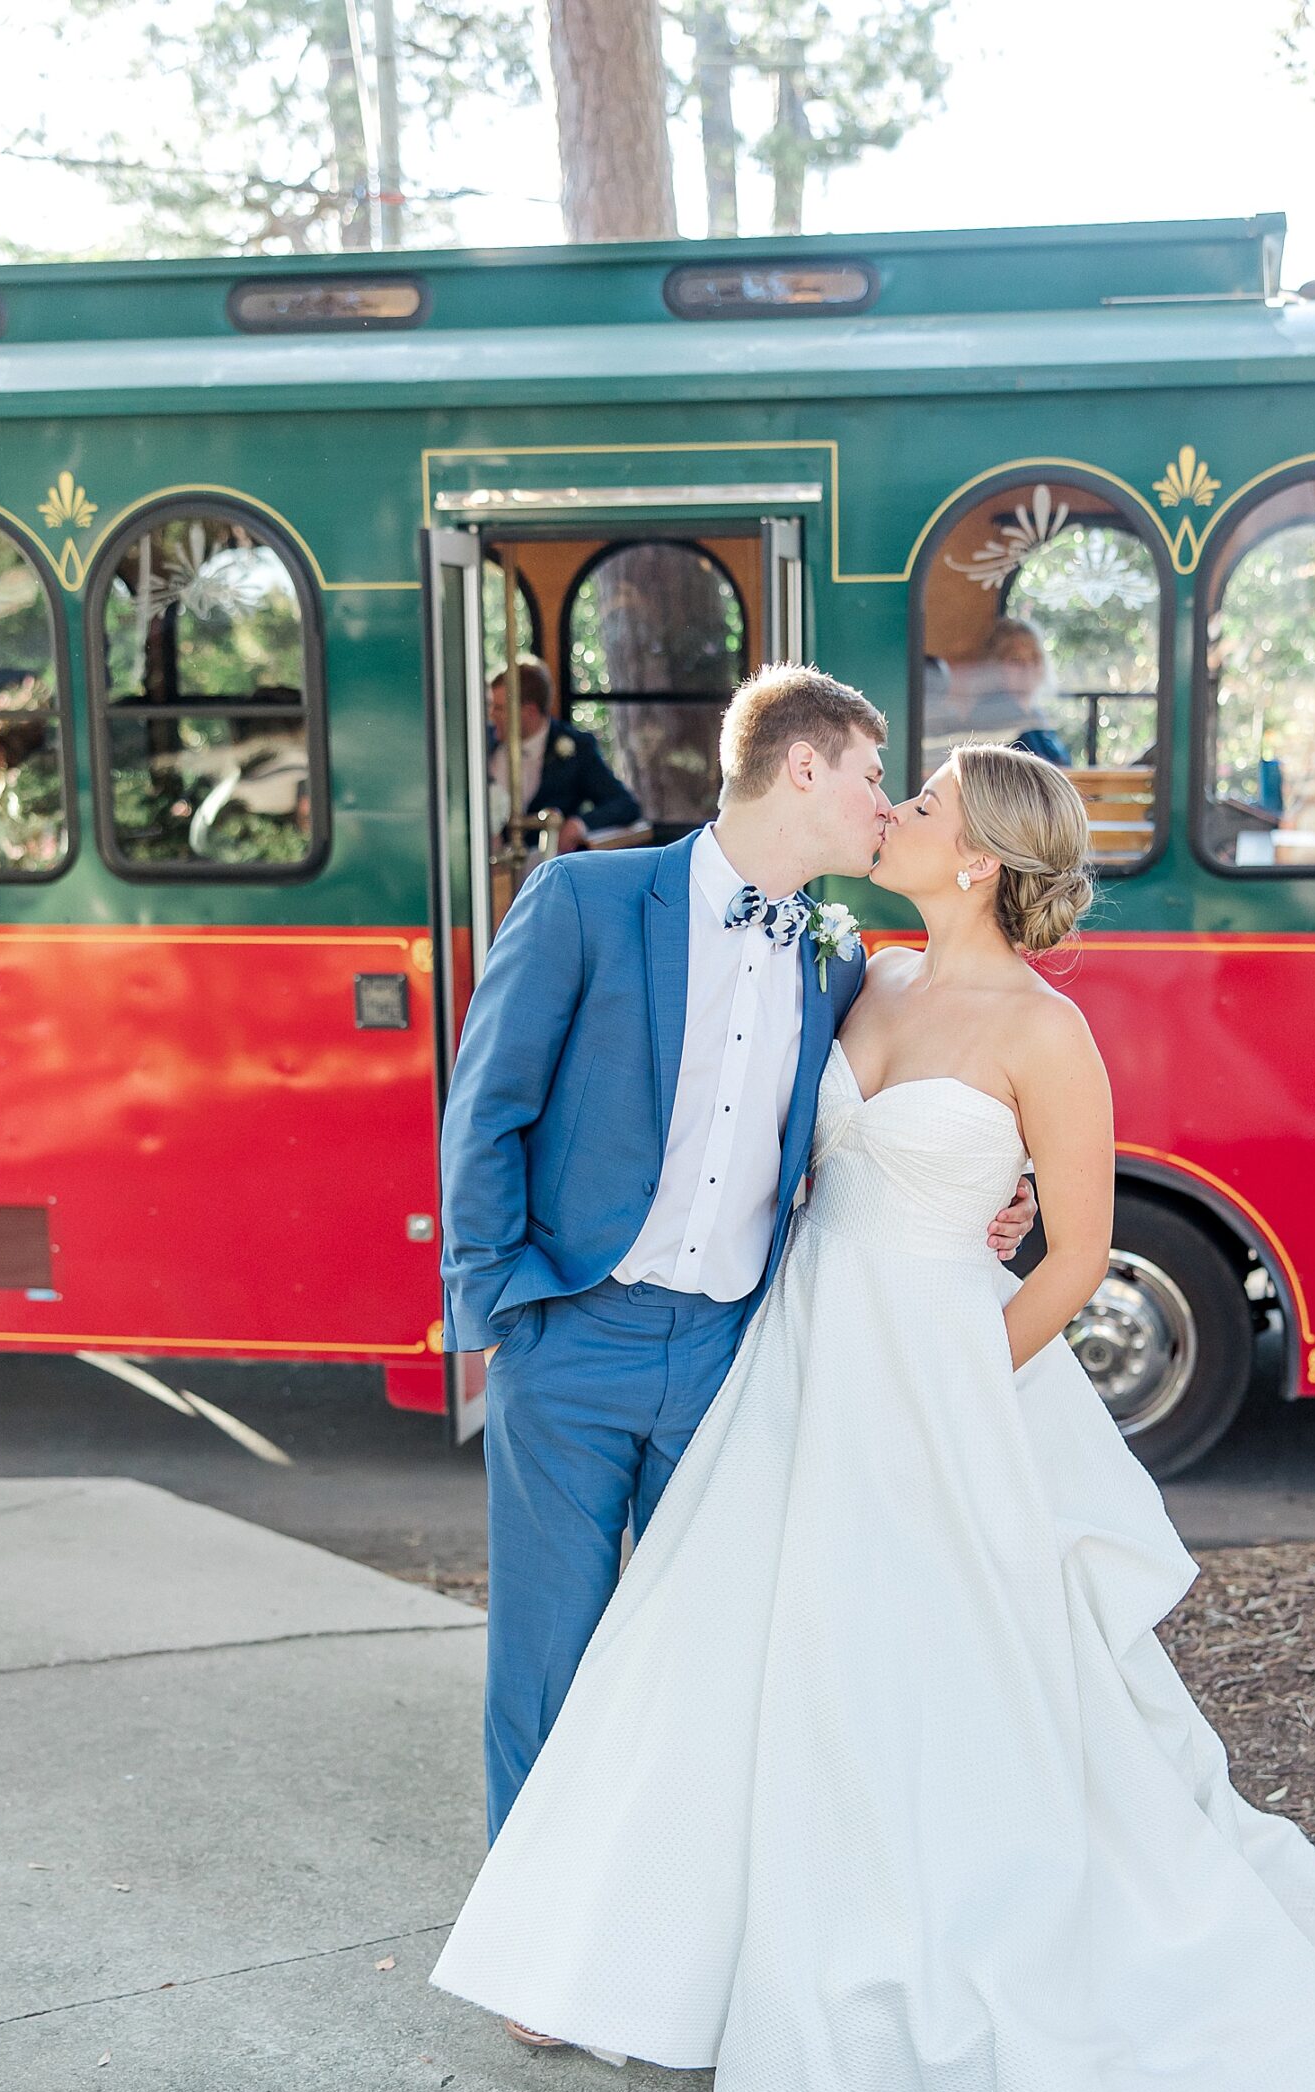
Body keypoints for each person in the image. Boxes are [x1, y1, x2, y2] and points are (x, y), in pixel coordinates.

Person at [434, 738, 1315, 2092]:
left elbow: (1071, 1255)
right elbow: (786, 1154)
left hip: (928, 1382)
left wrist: (952, 1376)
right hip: (794, 1357)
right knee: (721, 1660)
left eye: (918, 804)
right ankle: (625, 1951)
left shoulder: (1044, 1034)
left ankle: (891, 1956)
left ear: (979, 857)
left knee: (912, 1683)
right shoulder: (855, 972)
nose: (893, 813)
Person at [439, 666, 1036, 1876]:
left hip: (731, 1354)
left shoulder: (841, 956)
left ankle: (655, 1913)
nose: (886, 802)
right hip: (574, 1334)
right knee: (548, 1647)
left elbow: (907, 1102)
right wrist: (498, 1310)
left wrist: (1001, 1191)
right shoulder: (585, 900)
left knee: (697, 1653)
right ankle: (531, 1923)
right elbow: (485, 1111)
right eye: (876, 777)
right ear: (803, 769)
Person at [488, 655, 642, 851]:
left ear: (529, 711)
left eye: (499, 708)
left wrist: (579, 824)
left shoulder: (576, 748)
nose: (491, 715)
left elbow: (624, 804)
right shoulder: (482, 745)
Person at [970, 616, 1074, 768]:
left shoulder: (1036, 715)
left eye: (1035, 658)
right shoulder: (993, 715)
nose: (1028, 668)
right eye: (1016, 660)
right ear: (995, 665)